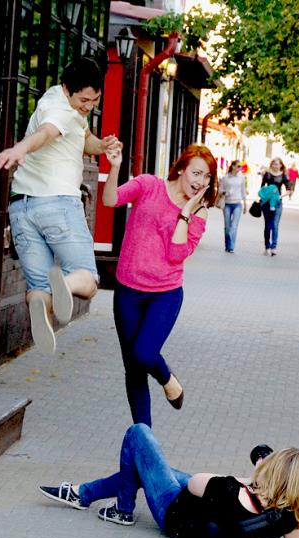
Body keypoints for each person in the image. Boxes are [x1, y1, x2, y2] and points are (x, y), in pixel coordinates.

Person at [0, 58, 121, 355]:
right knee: (88, 281)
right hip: (58, 204)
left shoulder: (54, 99)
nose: (89, 105)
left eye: (95, 100)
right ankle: (66, 281)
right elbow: (47, 132)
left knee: (38, 289)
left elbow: (81, 137)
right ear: (67, 90)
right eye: (83, 100)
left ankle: (42, 302)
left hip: (22, 209)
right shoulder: (59, 110)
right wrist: (20, 148)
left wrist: (102, 146)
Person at [38, 423, 299, 538]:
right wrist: (289, 498)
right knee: (142, 467)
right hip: (208, 513)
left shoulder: (229, 488)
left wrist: (255, 475)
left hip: (175, 509)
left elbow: (197, 483)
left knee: (139, 435)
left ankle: (122, 510)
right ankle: (83, 493)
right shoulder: (285, 517)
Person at [101, 144, 216, 426]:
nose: (200, 181)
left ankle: (168, 379)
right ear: (181, 168)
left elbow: (176, 255)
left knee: (144, 353)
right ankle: (145, 441)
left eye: (207, 177)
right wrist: (114, 167)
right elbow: (110, 200)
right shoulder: (148, 184)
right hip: (128, 291)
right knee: (133, 369)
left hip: (164, 295)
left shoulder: (200, 212)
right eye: (196, 173)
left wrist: (187, 210)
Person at [260, 158, 290, 256]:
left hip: (277, 203)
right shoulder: (267, 175)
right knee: (268, 225)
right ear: (271, 165)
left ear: (281, 165)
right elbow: (262, 187)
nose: (276, 166)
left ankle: (274, 247)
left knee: (275, 225)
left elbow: (289, 190)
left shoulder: (283, 176)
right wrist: (266, 194)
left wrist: (279, 196)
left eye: (277, 164)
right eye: (274, 164)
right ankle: (267, 247)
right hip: (267, 203)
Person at [219, 160, 247, 253]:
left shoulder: (242, 177)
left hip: (237, 204)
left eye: (241, 167)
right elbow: (220, 190)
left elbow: (243, 191)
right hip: (227, 204)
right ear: (233, 166)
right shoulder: (225, 178)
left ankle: (231, 247)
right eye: (239, 166)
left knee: (234, 227)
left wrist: (245, 205)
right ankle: (227, 245)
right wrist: (224, 192)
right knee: (227, 227)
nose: (240, 168)